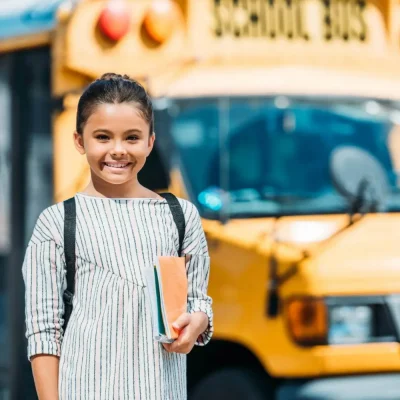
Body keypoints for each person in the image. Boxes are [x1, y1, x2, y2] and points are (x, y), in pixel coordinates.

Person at [22, 73, 213, 399]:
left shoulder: (180, 217)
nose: (118, 150)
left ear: (151, 142)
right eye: (102, 137)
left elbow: (197, 302)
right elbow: (44, 333)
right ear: (79, 141)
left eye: (132, 137)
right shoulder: (57, 223)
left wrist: (197, 323)